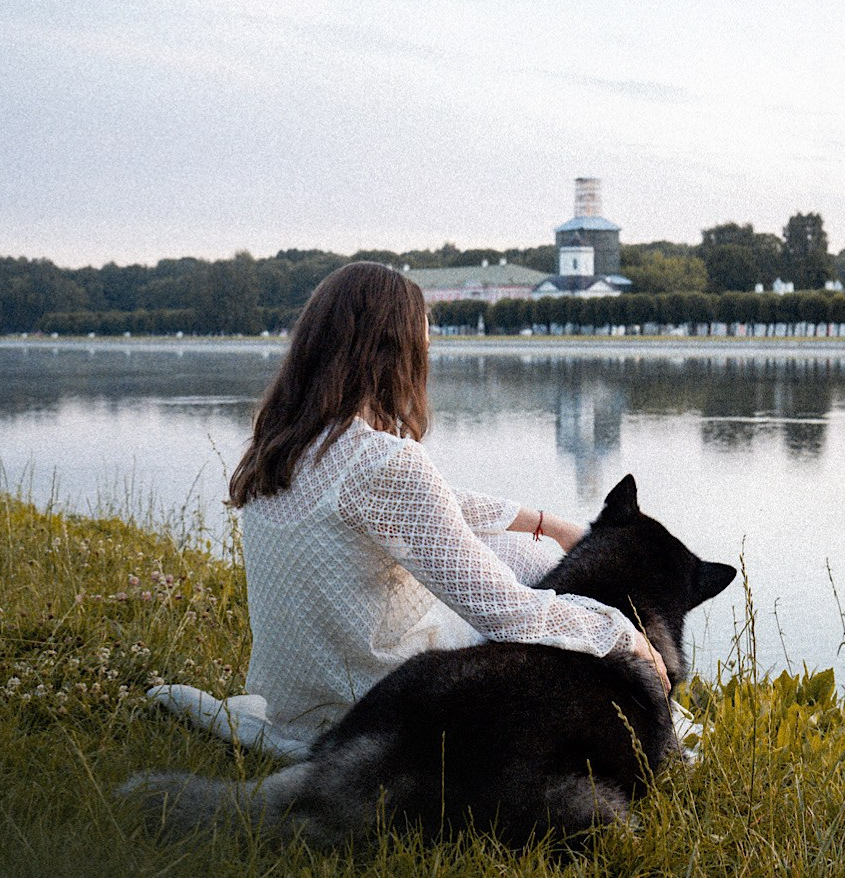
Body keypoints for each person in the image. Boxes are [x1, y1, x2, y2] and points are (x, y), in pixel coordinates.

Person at [150, 261, 668, 759]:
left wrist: (545, 523)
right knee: (533, 581)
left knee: (519, 548)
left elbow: (436, 504)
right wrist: (620, 634)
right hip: (380, 700)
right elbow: (501, 609)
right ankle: (655, 709)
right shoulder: (384, 461)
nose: (428, 358)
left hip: (298, 699)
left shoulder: (285, 444)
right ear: (393, 354)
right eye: (424, 346)